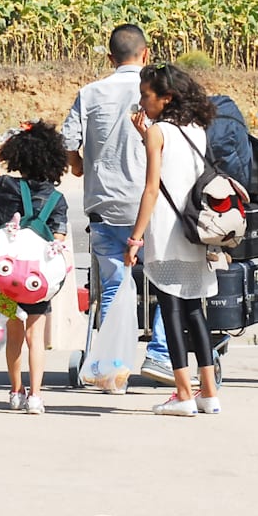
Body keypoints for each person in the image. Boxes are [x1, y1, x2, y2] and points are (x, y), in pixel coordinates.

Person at [61, 24, 175, 384]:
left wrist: (79, 165)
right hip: (151, 205)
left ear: (110, 58)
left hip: (104, 206)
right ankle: (159, 354)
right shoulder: (159, 94)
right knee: (166, 282)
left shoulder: (90, 92)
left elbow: (68, 141)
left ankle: (112, 365)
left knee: (113, 283)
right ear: (146, 54)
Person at [123, 64, 222, 417]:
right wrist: (146, 134)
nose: (141, 102)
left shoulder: (158, 132)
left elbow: (152, 188)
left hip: (166, 232)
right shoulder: (197, 129)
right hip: (195, 229)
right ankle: (208, 392)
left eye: (146, 96)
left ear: (166, 98)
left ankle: (182, 394)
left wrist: (135, 238)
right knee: (195, 310)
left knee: (170, 308)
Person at [0, 121, 70, 415]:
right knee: (36, 337)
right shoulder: (58, 200)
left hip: (4, 279)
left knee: (14, 333)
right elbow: (58, 239)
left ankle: (15, 391)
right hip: (37, 280)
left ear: (19, 156)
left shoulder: (7, 187)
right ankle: (36, 396)